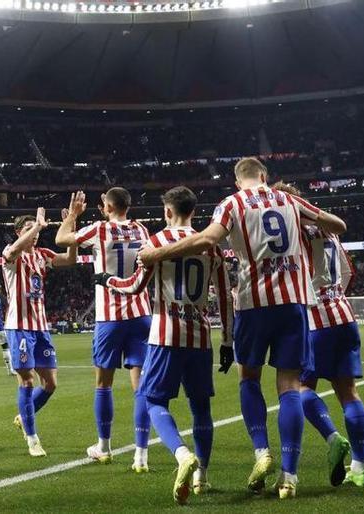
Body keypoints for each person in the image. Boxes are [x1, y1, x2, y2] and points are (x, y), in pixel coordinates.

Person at [138, 157, 347, 499]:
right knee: (290, 386)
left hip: (253, 303)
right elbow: (336, 224)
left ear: (238, 182)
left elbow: (208, 240)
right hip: (295, 302)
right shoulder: (291, 200)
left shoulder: (231, 203)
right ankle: (289, 477)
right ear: (264, 176)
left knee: (249, 377)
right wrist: (319, 222)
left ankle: (262, 452)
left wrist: (157, 253)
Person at [97, 186, 234, 504]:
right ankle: (202, 477)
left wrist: (107, 280)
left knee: (153, 401)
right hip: (200, 337)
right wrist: (227, 340)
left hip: (164, 335)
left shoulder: (156, 242)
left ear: (169, 212)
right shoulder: (211, 247)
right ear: (193, 212)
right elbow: (225, 297)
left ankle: (182, 454)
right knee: (201, 408)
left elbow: (133, 287)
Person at [272, 182, 364, 489]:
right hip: (343, 315)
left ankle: (333, 438)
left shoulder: (292, 235)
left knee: (298, 388)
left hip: (313, 320)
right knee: (349, 392)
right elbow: (347, 272)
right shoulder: (329, 231)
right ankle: (360, 467)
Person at [55, 188, 154, 471]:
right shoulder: (141, 229)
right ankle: (141, 456)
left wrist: (73, 215)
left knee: (103, 384)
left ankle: (105, 447)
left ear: (107, 207)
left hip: (109, 319)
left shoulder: (100, 229)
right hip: (141, 315)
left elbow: (61, 238)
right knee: (141, 388)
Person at [3, 207, 78, 457]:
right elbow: (13, 250)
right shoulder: (11, 255)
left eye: (34, 230)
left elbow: (70, 260)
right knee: (27, 380)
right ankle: (32, 438)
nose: (34, 235)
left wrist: (72, 228)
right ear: (18, 232)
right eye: (27, 230)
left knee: (51, 383)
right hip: (19, 327)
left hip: (41, 327)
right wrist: (37, 226)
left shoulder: (42, 255)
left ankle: (24, 416)